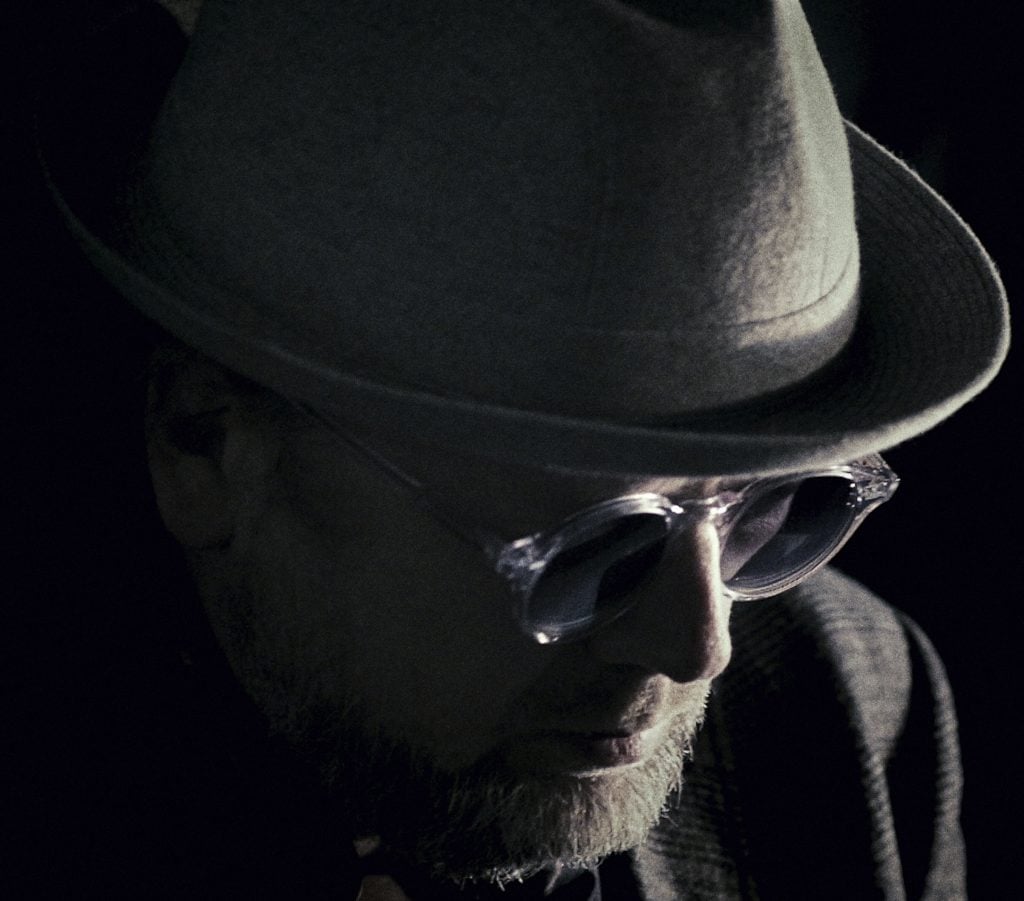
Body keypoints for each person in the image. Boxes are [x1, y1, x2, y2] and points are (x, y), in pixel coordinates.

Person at [27, 0, 1008, 897]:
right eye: (592, 541)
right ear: (204, 445)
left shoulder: (847, 703)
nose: (697, 645)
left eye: (769, 509)